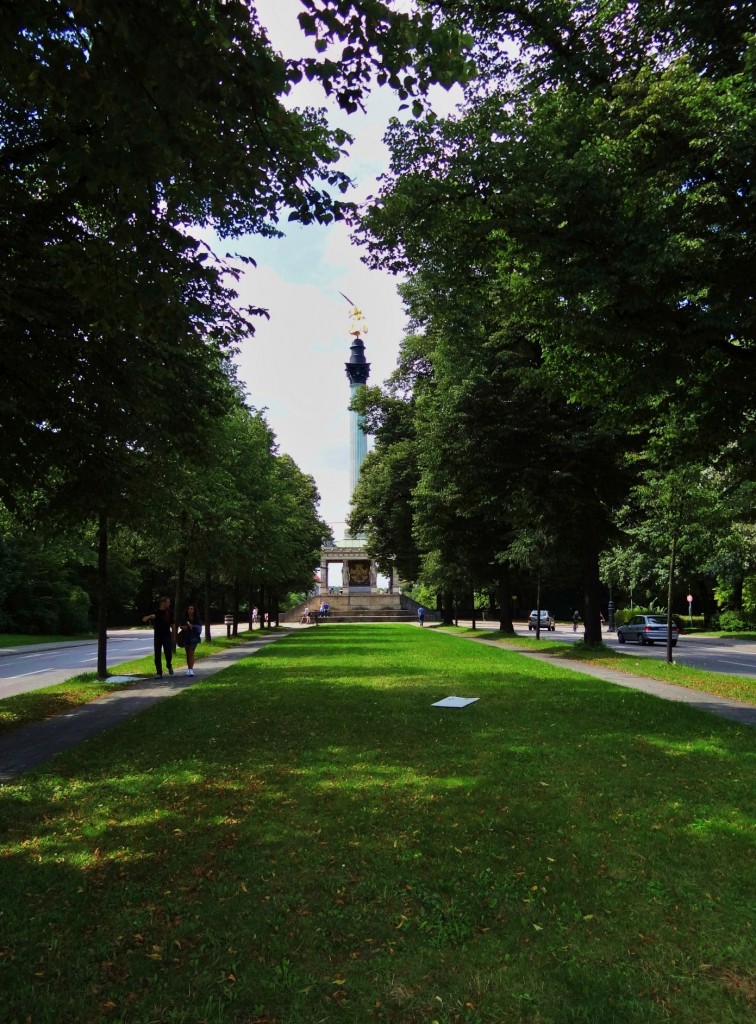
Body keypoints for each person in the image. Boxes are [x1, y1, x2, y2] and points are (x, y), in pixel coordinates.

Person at [142, 595, 174, 677]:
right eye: (168, 602)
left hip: (167, 635)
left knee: (168, 653)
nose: (169, 603)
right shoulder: (156, 612)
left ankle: (169, 665)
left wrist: (174, 635)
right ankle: (159, 672)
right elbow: (144, 619)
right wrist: (150, 616)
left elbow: (172, 624)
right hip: (158, 636)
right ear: (163, 602)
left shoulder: (170, 612)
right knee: (157, 654)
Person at [181, 603, 203, 676]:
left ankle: (191, 670)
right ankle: (189, 669)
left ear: (194, 610)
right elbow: (181, 626)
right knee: (187, 653)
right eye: (189, 609)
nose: (190, 610)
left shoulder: (197, 619)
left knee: (191, 653)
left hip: (194, 638)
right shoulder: (184, 618)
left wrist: (192, 626)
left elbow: (199, 629)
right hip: (186, 637)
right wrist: (183, 627)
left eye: (192, 609)